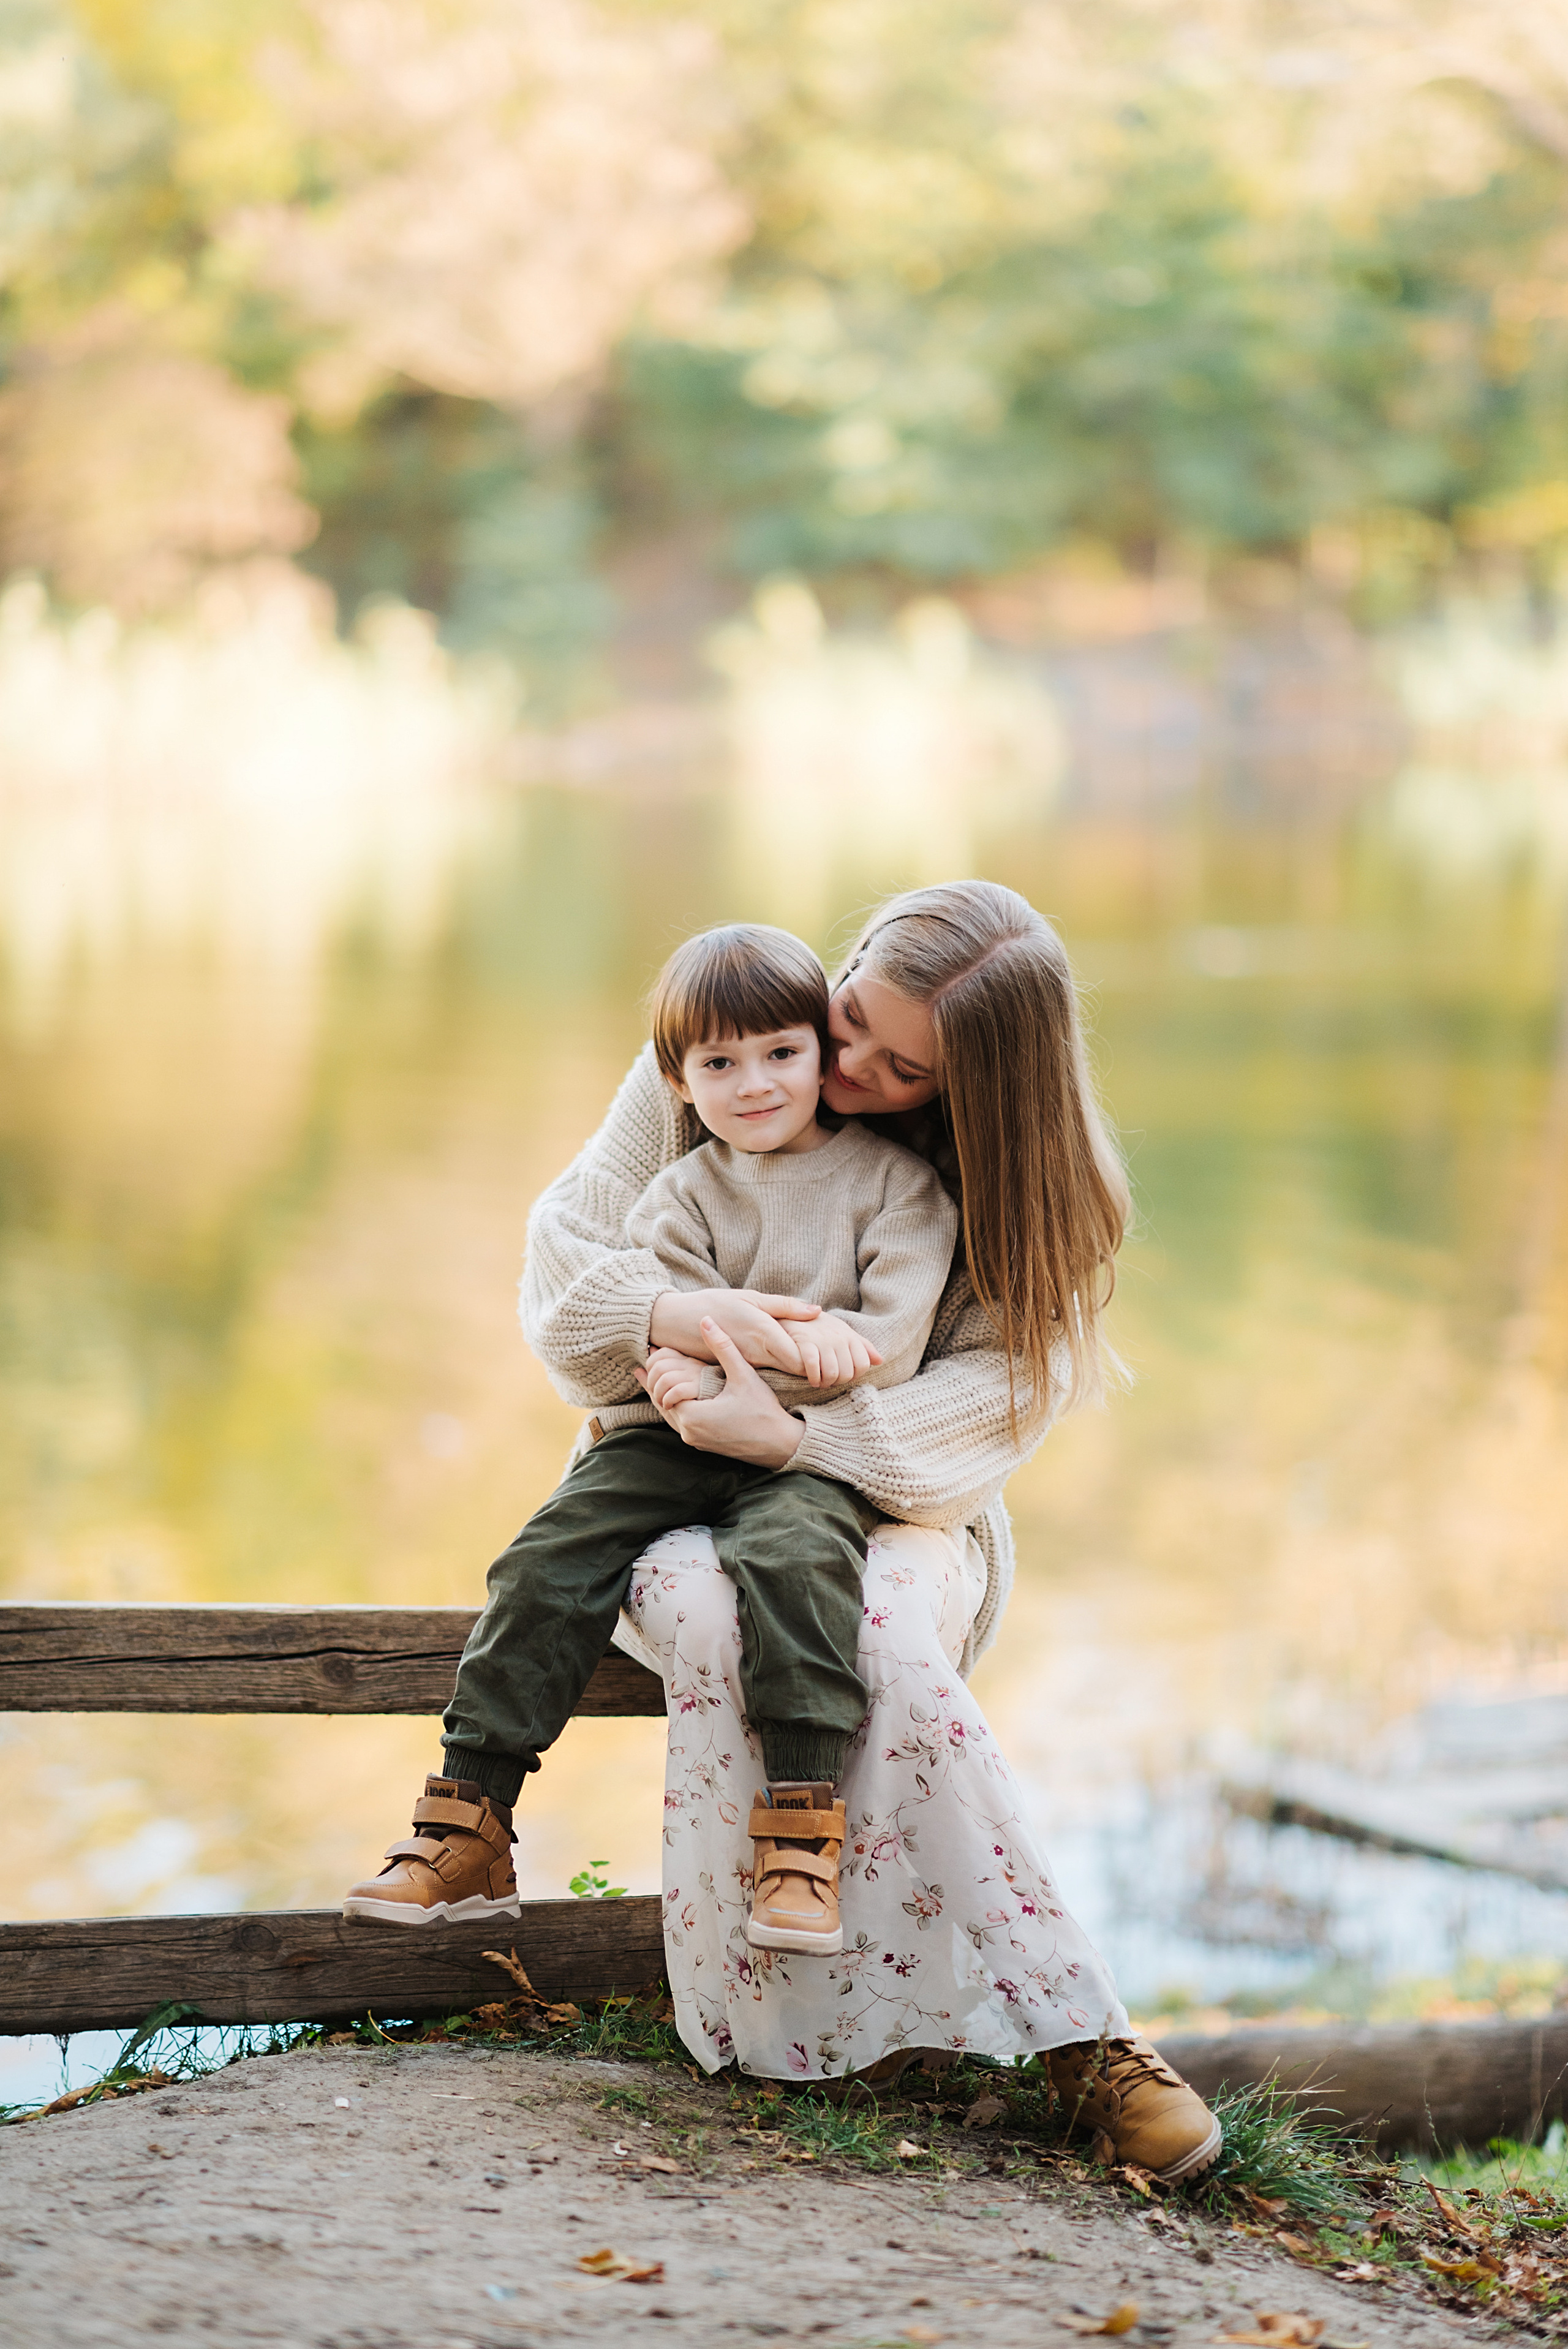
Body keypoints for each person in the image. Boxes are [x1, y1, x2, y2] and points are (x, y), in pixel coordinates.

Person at [348, 878, 1223, 2184]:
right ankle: (770, 2009)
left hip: (894, 1491)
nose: (847, 1068)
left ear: (975, 1087)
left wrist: (795, 1440)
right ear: (846, 964)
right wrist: (696, 1332)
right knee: (706, 1606)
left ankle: (1081, 2044)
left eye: (902, 1066)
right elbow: (566, 1275)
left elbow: (985, 1413)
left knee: (883, 1632)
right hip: (676, 1451)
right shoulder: (740, 1038)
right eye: (851, 1020)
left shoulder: (1019, 1183)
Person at [344, 921, 958, 1959]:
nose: (754, 1084)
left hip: (803, 1445)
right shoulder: (681, 1191)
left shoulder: (897, 1190)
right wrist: (698, 1359)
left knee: (798, 1561)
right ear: (676, 1080)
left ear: (817, 1050)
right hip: (671, 1437)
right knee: (548, 1550)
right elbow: (655, 1325)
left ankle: (802, 1838)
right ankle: (469, 1822)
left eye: (780, 1053)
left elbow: (885, 1348)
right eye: (720, 1064)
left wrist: (728, 1356)